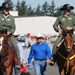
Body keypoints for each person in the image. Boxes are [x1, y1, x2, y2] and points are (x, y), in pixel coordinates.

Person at [0, 2, 21, 68]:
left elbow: (13, 27)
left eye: (8, 9)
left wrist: (10, 32)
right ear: (3, 9)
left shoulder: (11, 18)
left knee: (16, 47)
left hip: (9, 35)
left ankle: (18, 62)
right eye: (6, 9)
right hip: (0, 34)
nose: (7, 10)